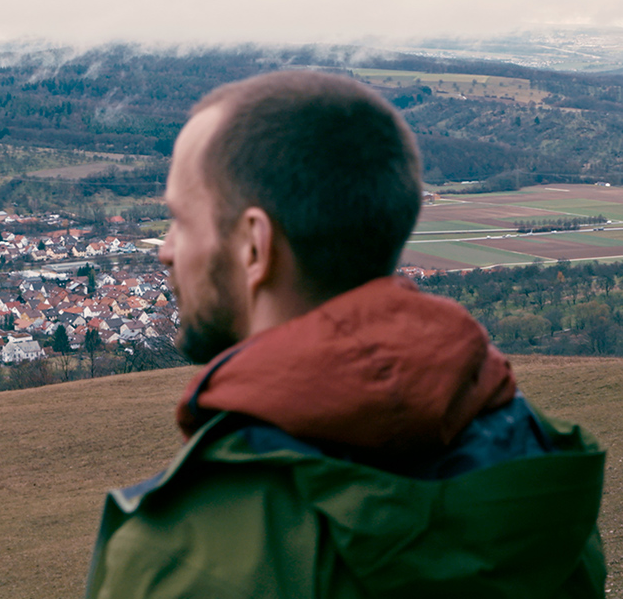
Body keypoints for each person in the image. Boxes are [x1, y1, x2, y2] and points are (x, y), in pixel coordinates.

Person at [84, 71, 605, 598]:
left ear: (253, 247)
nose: (164, 250)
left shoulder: (178, 556)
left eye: (179, 220)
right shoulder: (544, 469)